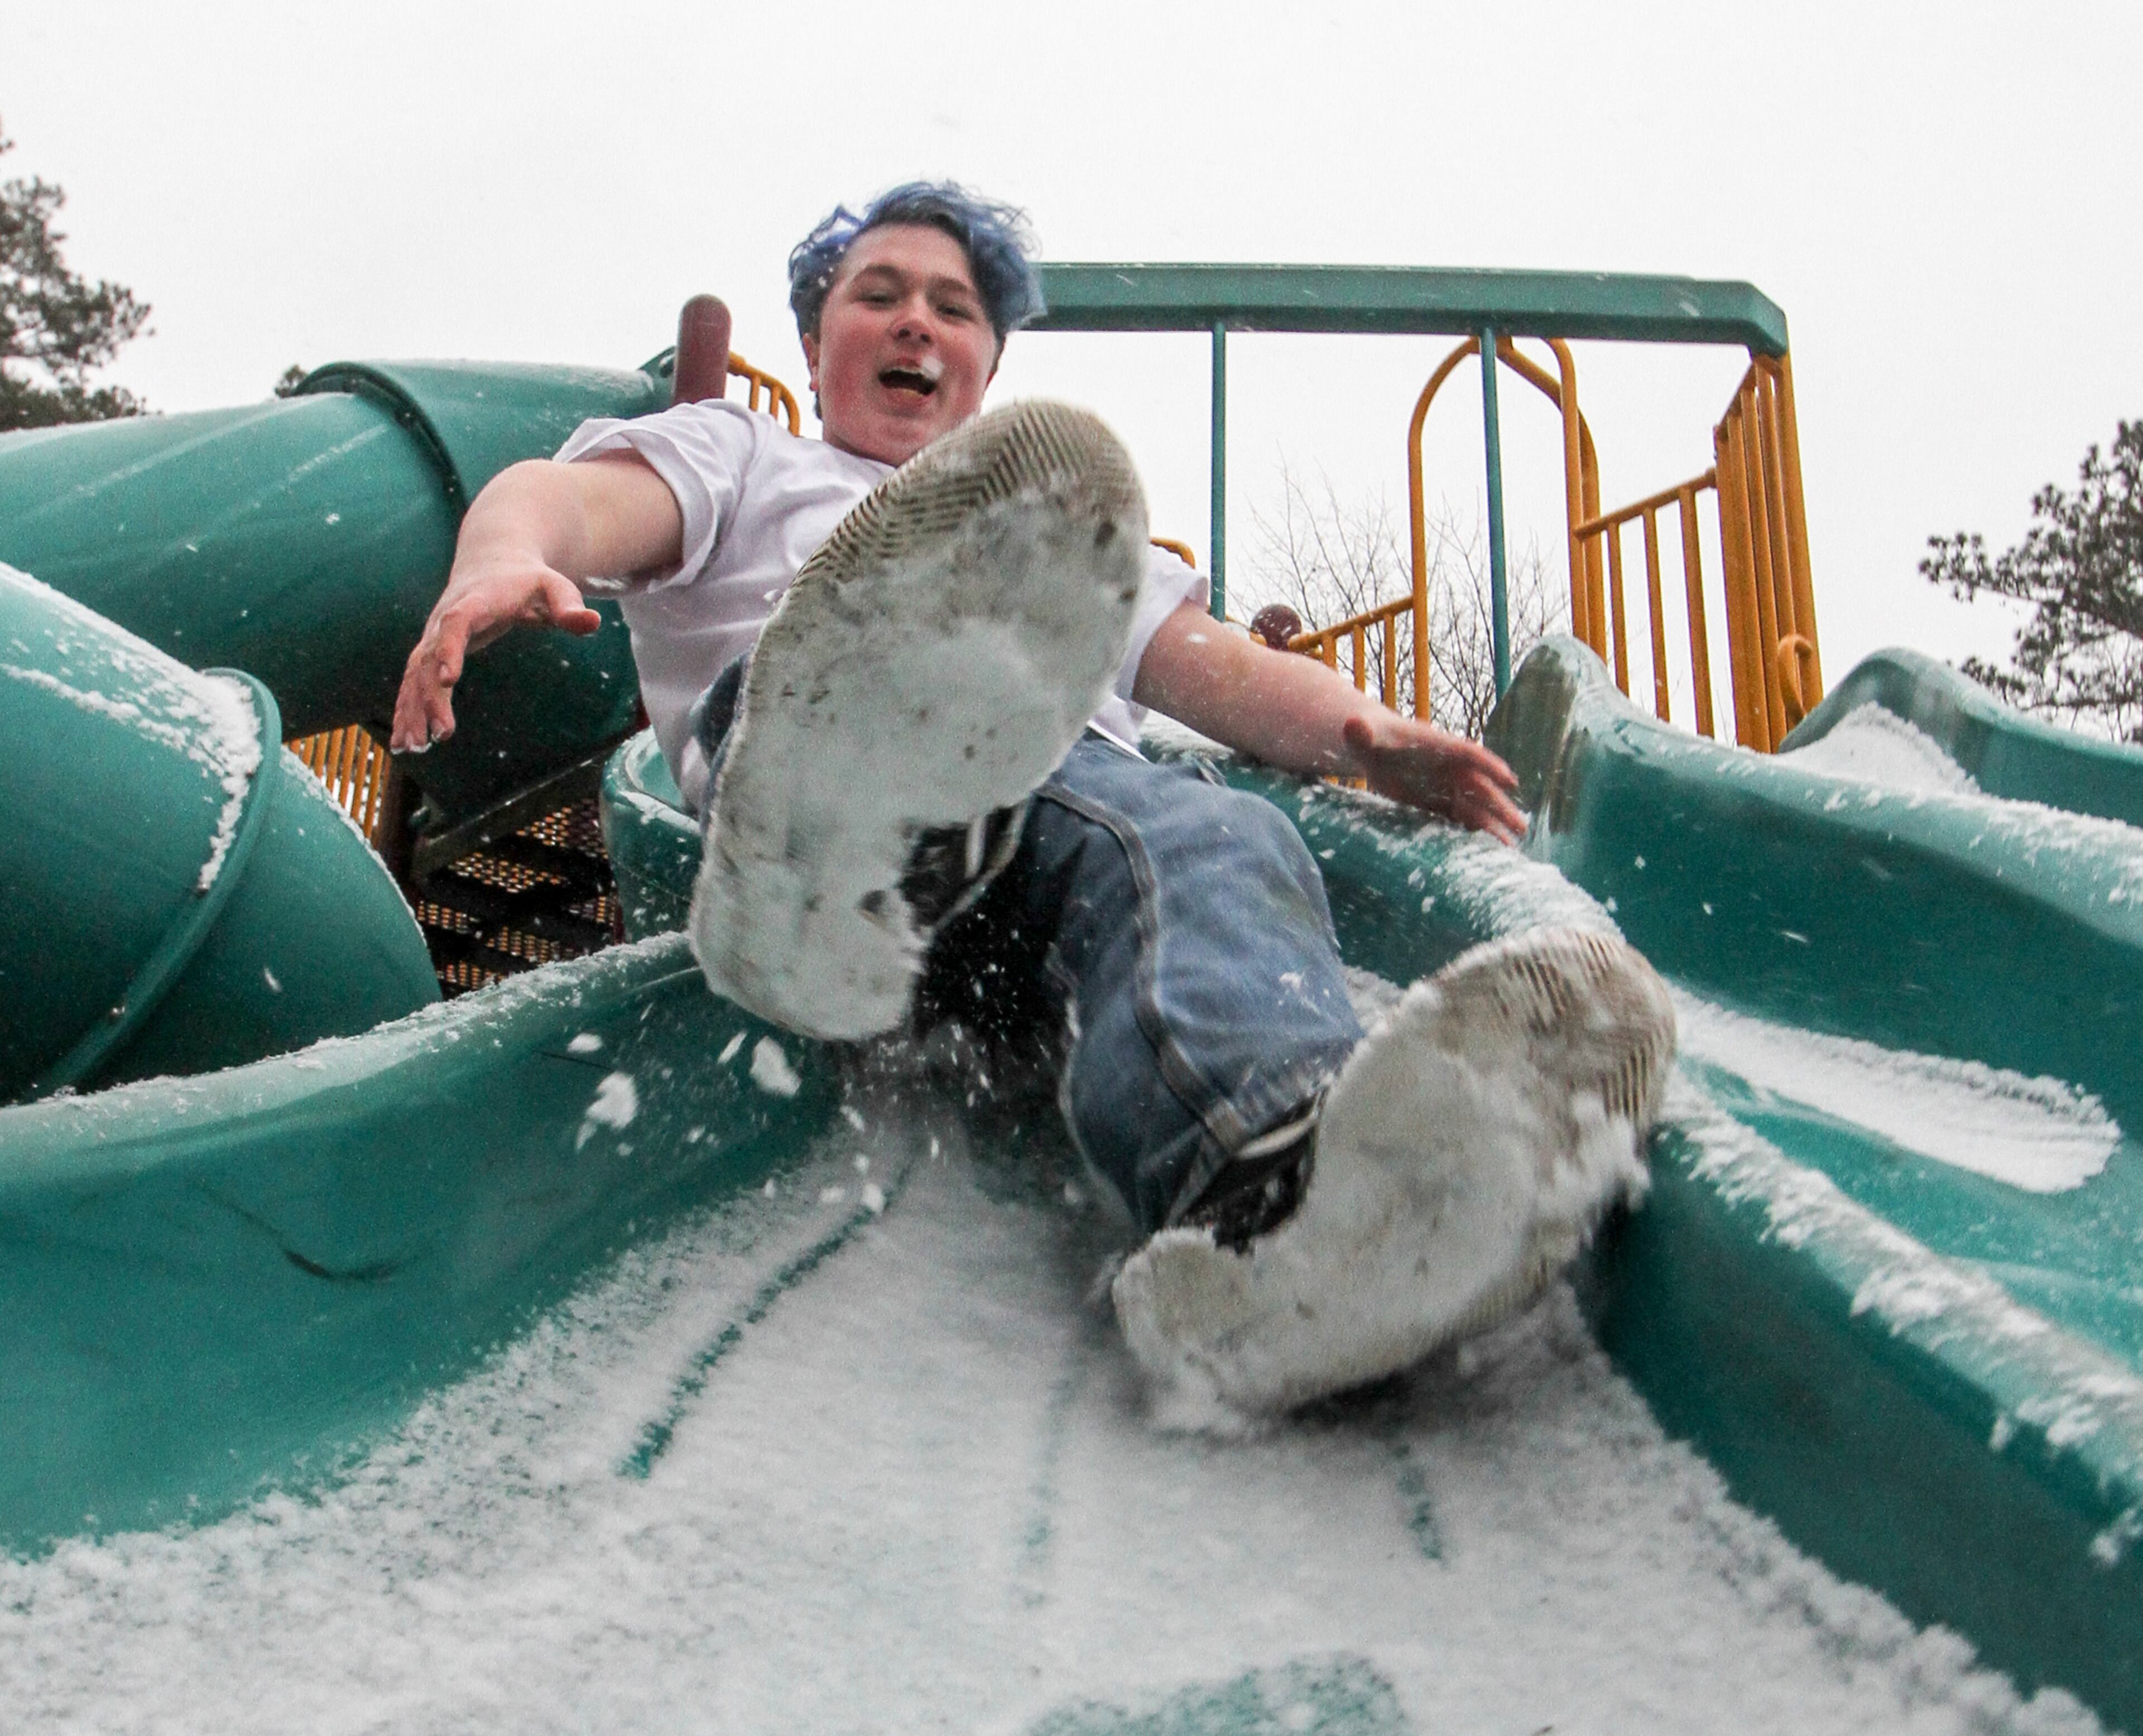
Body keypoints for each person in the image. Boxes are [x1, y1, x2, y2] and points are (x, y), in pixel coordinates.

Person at [392, 184, 1671, 1417]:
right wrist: (506, 558)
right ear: (815, 341)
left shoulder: (1065, 543)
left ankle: (1278, 1220)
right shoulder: (743, 458)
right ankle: (827, 866)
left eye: (953, 308)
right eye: (876, 295)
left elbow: (1210, 671)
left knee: (1219, 830)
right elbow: (565, 499)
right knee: (923, 723)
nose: (914, 322)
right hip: (788, 777)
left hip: (1025, 873)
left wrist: (1359, 734)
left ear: (986, 369)